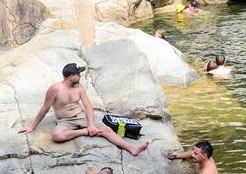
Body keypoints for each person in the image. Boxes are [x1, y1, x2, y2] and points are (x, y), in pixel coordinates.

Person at [19, 63, 149, 157]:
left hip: (81, 116)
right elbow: (45, 108)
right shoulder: (55, 89)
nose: (80, 76)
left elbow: (87, 106)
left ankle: (132, 148)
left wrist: (92, 124)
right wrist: (32, 127)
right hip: (65, 121)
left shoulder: (79, 87)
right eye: (78, 74)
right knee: (57, 136)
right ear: (71, 76)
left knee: (107, 129)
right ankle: (85, 131)